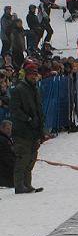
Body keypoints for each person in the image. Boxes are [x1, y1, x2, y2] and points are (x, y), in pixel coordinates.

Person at [9, 61, 45, 193]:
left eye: (35, 74)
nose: (33, 76)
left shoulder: (35, 88)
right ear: (26, 75)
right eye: (31, 74)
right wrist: (28, 119)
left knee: (31, 158)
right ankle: (19, 185)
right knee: (22, 157)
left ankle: (27, 184)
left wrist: (41, 126)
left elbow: (38, 108)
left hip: (34, 129)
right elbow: (14, 109)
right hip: (22, 130)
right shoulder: (18, 89)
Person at [0, 120, 16, 188]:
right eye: (7, 129)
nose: (9, 131)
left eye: (10, 129)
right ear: (1, 128)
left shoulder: (6, 138)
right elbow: (6, 156)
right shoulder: (3, 140)